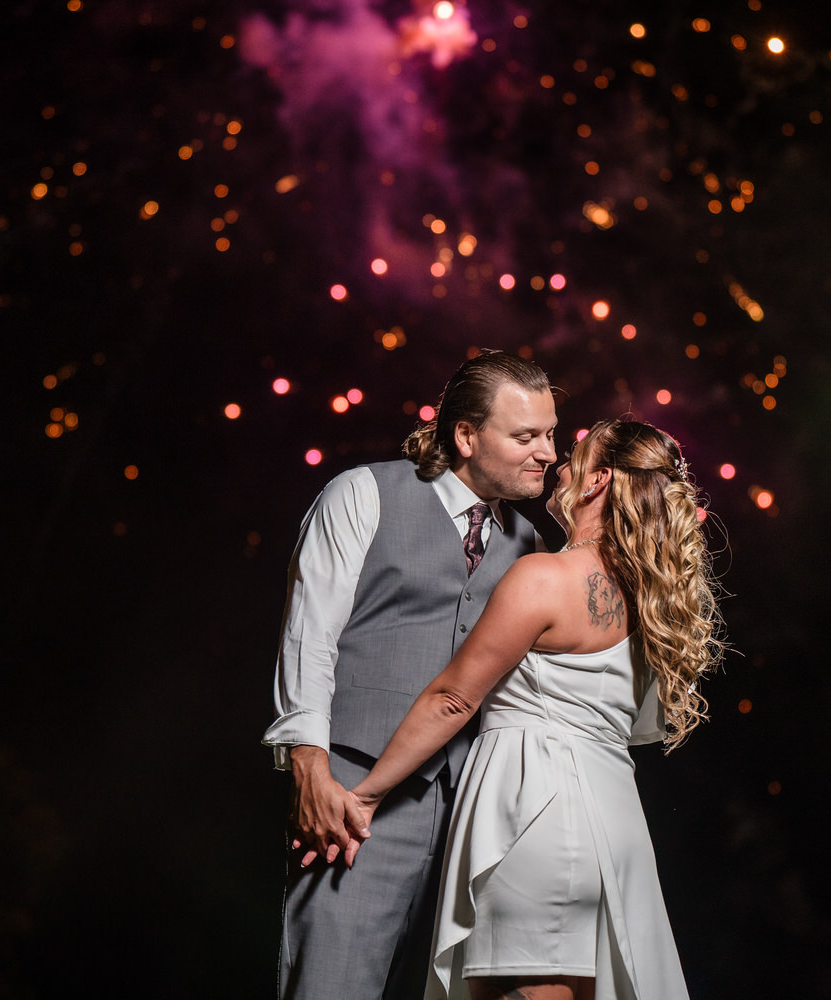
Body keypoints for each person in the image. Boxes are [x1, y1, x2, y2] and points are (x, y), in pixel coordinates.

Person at [342, 418, 726, 1000]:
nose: (557, 462)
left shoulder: (544, 576)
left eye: (573, 454)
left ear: (598, 482)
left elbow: (454, 696)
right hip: (612, 823)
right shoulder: (649, 599)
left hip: (535, 814)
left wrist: (365, 794)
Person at [263, 350, 558, 1000]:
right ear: (466, 435)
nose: (548, 453)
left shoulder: (533, 548)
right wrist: (310, 767)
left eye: (551, 433)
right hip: (356, 798)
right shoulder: (362, 493)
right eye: (526, 436)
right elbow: (308, 639)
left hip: (477, 815)